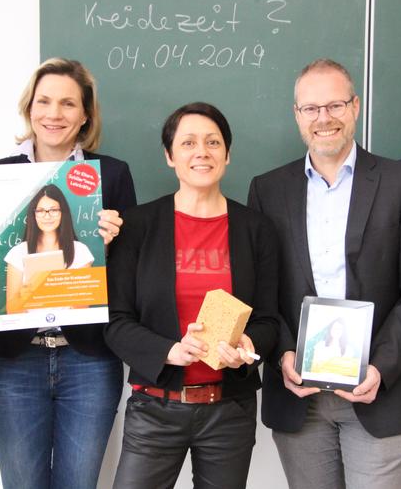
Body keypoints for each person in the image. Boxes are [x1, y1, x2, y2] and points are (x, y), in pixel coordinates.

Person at [248, 58, 401, 489]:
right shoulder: (268, 189)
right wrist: (282, 354)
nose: (324, 118)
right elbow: (261, 293)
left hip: (378, 391)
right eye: (311, 108)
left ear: (355, 106)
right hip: (299, 393)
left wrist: (381, 367)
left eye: (335, 105)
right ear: (297, 115)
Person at [0, 58, 136, 489]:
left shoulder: (112, 175)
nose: (53, 114)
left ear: (85, 115)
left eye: (67, 103)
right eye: (44, 101)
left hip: (90, 360)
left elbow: (132, 281)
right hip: (13, 359)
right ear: (29, 108)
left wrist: (110, 246)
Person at [104, 102, 280, 489]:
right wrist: (168, 350)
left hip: (228, 411)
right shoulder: (136, 227)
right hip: (154, 407)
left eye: (213, 142)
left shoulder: (256, 229)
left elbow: (270, 319)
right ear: (170, 156)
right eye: (188, 143)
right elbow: (116, 323)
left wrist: (248, 345)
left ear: (227, 154)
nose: (202, 151)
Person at [4, 184, 93, 312]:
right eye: (40, 211)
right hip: (30, 329)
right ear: (33, 214)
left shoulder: (81, 251)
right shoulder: (17, 253)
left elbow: (82, 308)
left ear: (63, 212)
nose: (47, 216)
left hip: (70, 329)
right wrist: (26, 294)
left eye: (54, 210)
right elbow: (12, 311)